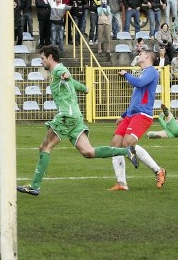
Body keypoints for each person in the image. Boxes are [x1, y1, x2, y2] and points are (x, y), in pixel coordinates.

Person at [17, 45, 135, 196]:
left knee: (45, 147)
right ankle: (126, 151)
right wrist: (86, 89)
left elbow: (65, 74)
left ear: (50, 58)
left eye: (42, 58)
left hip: (67, 116)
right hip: (76, 117)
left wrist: (65, 75)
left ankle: (35, 186)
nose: (41, 62)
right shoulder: (58, 72)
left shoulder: (59, 70)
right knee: (88, 152)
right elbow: (75, 84)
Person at [109, 46, 166, 191]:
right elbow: (136, 100)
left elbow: (139, 84)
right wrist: (123, 116)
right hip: (131, 115)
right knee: (115, 144)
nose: (138, 56)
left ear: (147, 57)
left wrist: (126, 74)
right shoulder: (142, 73)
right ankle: (121, 183)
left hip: (143, 115)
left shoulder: (152, 71)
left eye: (140, 54)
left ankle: (159, 170)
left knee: (128, 142)